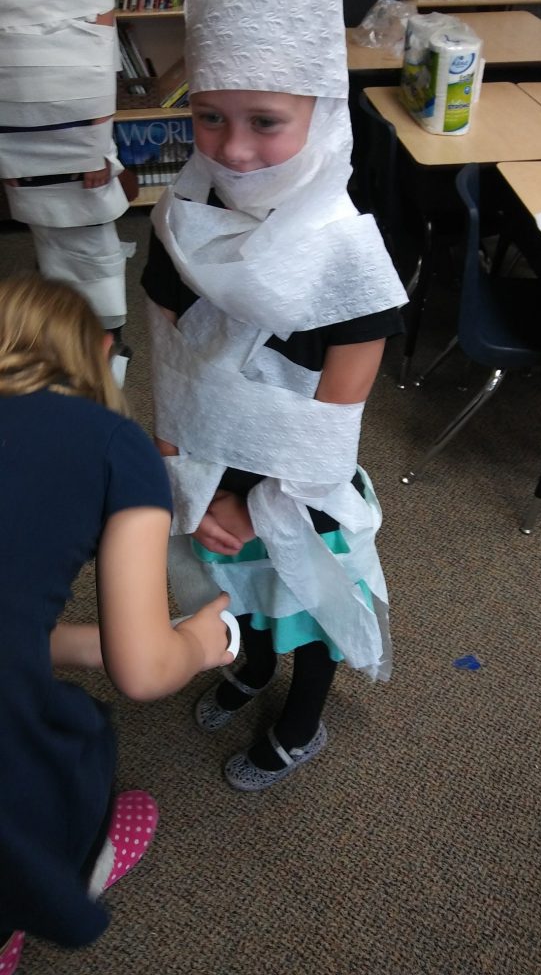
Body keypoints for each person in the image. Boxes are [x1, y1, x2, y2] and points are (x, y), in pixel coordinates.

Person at [142, 0, 408, 792]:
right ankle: (254, 667)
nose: (234, 148)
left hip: (296, 492)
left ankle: (303, 716)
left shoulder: (347, 257)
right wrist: (185, 480)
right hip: (208, 469)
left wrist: (250, 503)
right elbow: (170, 373)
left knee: (306, 601)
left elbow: (327, 433)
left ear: (322, 113)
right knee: (241, 594)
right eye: (209, 117)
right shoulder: (179, 222)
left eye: (266, 121)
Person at [0, 274, 233, 974]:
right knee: (59, 758)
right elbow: (145, 673)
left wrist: (91, 645)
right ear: (102, 353)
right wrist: (192, 642)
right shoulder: (113, 442)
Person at [0, 0, 134, 381]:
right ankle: (67, 336)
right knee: (49, 233)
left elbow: (97, 57)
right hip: (17, 129)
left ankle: (105, 347)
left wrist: (93, 150)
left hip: (77, 133)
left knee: (91, 237)